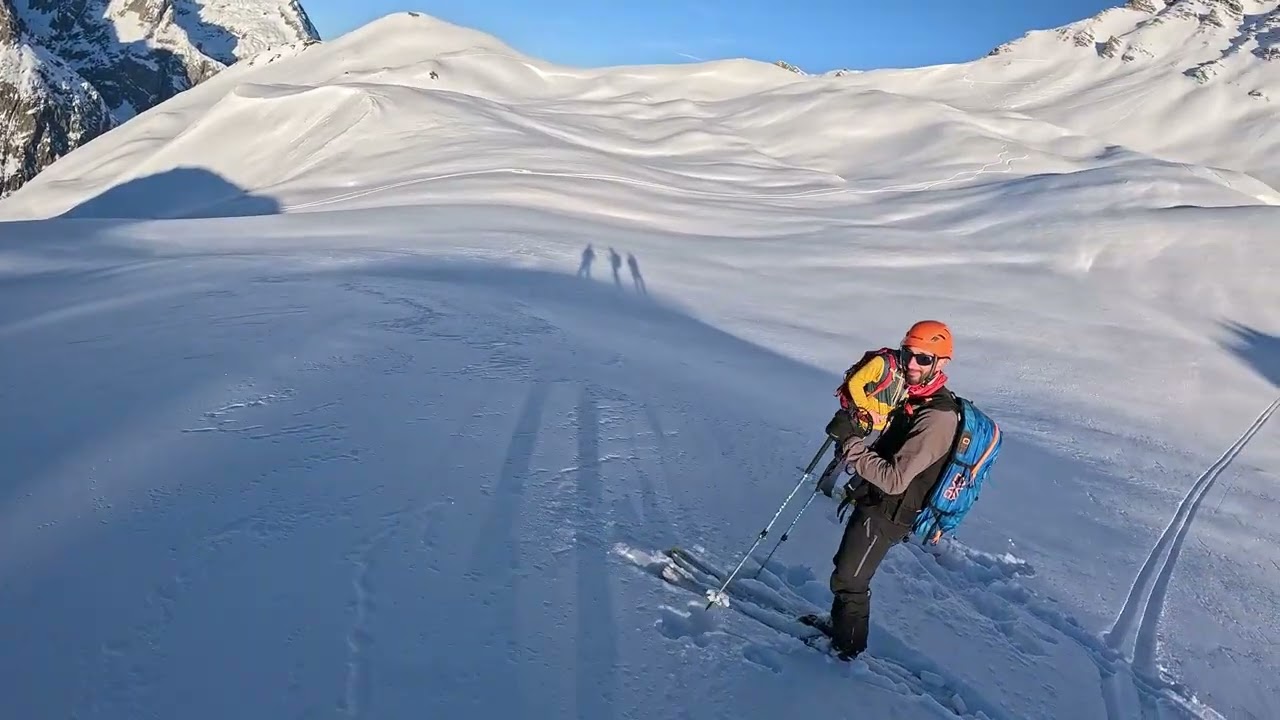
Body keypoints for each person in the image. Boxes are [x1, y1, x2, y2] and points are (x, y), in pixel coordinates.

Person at [819, 320, 961, 660]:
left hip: (888, 512)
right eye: (907, 354)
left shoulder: (938, 417)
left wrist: (851, 443)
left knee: (851, 581)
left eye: (923, 359)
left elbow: (896, 479)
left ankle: (845, 651)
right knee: (845, 568)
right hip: (874, 500)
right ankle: (839, 629)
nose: (911, 364)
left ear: (940, 364)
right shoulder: (914, 398)